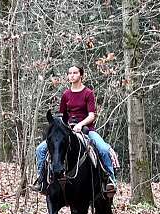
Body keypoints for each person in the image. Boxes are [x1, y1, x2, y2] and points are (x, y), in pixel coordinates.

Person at [31, 65, 116, 194]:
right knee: (41, 149)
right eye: (70, 73)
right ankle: (41, 179)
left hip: (87, 129)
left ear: (81, 75)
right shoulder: (66, 94)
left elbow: (92, 115)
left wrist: (80, 125)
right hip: (68, 129)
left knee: (103, 149)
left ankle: (109, 179)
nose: (72, 75)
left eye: (75, 73)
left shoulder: (88, 93)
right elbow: (62, 115)